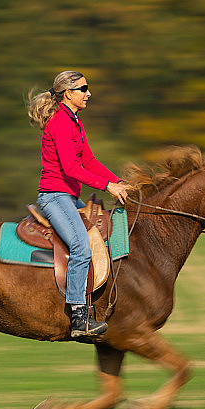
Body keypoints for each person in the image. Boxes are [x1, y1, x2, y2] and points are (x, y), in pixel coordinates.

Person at [27, 70, 129, 341]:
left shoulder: (75, 122)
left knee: (102, 238)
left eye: (87, 88)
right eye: (83, 89)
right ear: (68, 93)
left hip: (70, 197)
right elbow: (72, 168)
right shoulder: (60, 122)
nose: (88, 93)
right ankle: (79, 318)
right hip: (55, 196)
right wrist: (108, 187)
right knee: (81, 246)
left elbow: (90, 161)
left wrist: (118, 181)